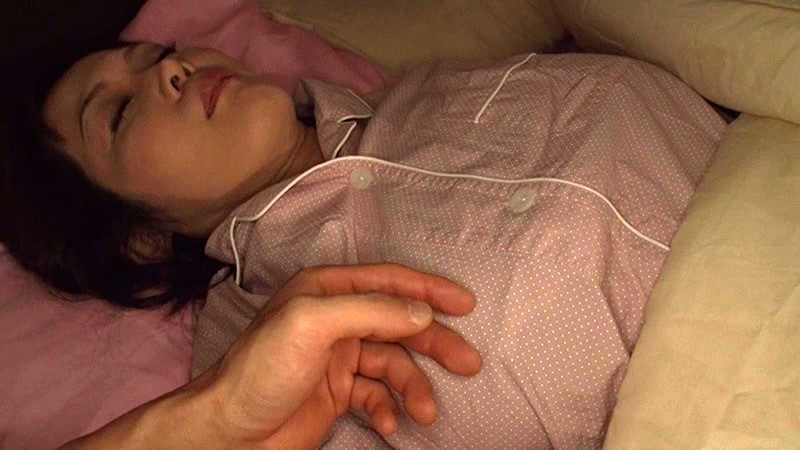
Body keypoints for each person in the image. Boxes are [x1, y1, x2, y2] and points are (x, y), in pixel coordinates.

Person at [1, 41, 725, 447]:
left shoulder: (440, 83)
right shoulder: (263, 370)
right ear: (138, 239)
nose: (170, 69)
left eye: (158, 53)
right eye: (120, 112)